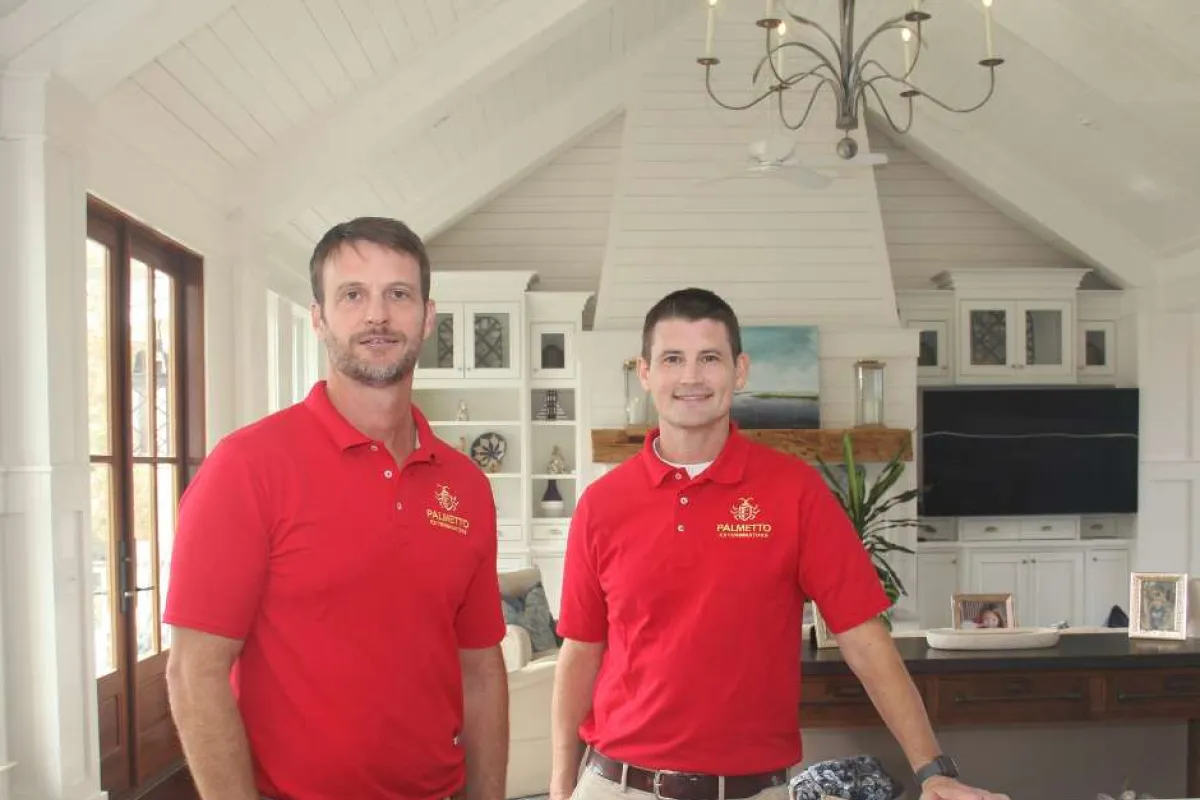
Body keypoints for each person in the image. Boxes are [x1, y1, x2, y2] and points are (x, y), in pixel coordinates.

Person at [549, 288, 1009, 800]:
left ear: (739, 370)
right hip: (619, 785)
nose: (691, 377)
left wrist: (932, 769)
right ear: (646, 373)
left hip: (754, 790)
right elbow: (581, 652)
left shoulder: (795, 492)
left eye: (710, 358)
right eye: (672, 359)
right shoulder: (602, 503)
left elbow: (863, 637)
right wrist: (560, 783)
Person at [164, 217, 509, 800]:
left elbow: (479, 670)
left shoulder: (467, 487)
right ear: (319, 317)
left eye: (398, 295)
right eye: (353, 295)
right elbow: (194, 673)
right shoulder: (247, 467)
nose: (377, 315)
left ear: (427, 316)